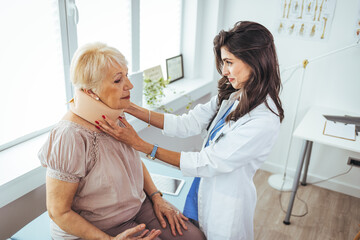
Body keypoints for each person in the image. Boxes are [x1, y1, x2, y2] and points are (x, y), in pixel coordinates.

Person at [97, 21, 284, 240]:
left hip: (226, 206)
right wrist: (131, 107)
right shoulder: (234, 96)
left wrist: (141, 145)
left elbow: (207, 162)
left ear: (255, 60)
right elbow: (187, 123)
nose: (224, 71)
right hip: (202, 191)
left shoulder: (264, 119)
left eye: (229, 62)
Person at [38, 42, 206, 240]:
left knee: (196, 238)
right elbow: (58, 212)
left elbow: (132, 162)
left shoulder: (114, 117)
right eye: (118, 80)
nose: (130, 85)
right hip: (97, 227)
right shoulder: (70, 135)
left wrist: (156, 197)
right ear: (91, 92)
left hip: (137, 207)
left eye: (126, 75)